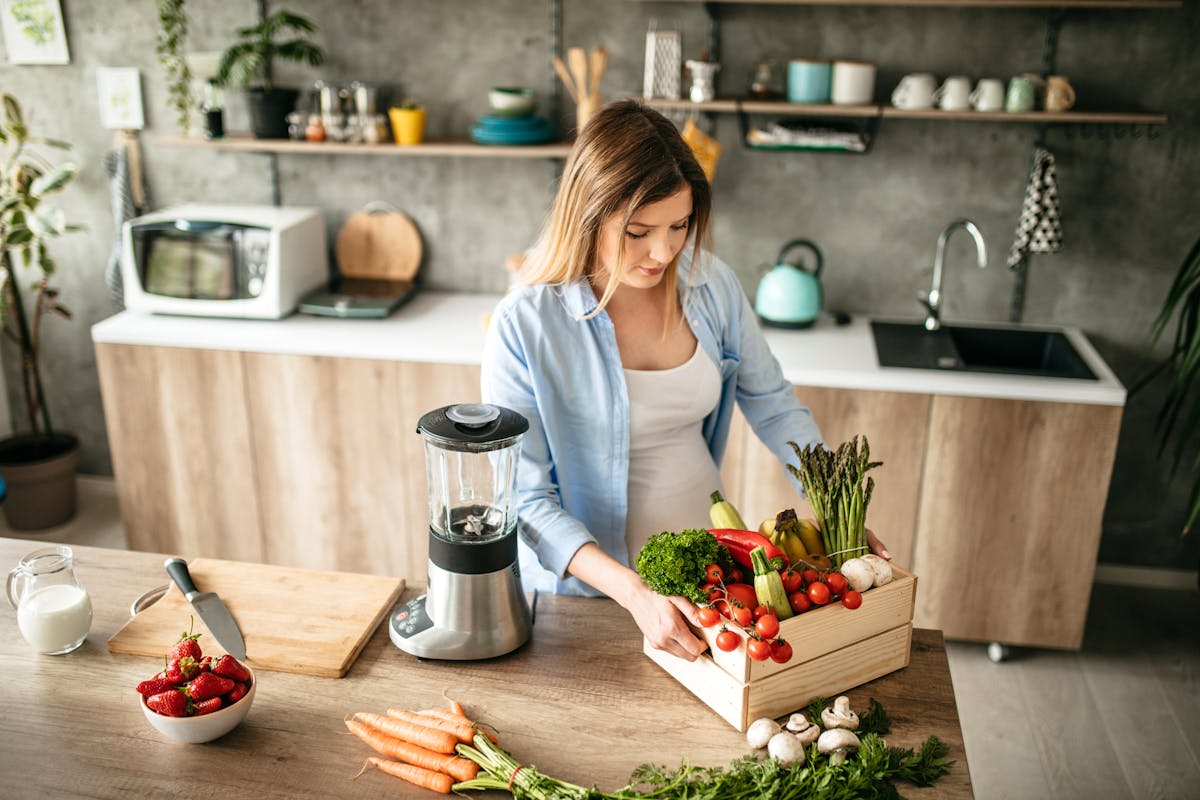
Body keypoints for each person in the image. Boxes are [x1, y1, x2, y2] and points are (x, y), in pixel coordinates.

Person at [482, 100, 886, 662]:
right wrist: (634, 592)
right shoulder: (526, 323)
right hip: (591, 596)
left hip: (713, 582)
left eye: (679, 225)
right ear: (589, 214)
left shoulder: (711, 285)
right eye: (639, 231)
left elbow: (774, 405)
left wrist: (837, 505)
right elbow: (525, 498)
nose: (664, 251)